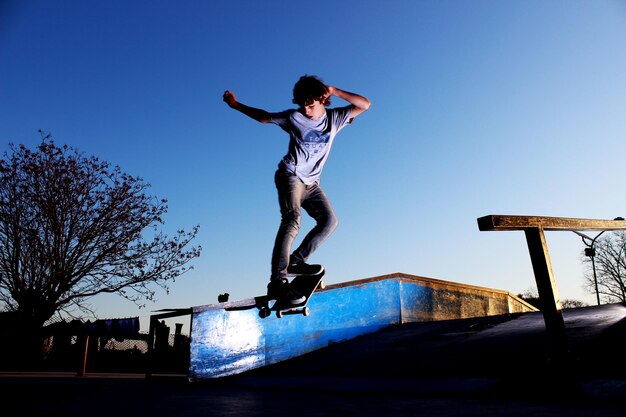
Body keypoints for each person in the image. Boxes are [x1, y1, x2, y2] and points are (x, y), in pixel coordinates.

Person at [223, 75, 370, 304]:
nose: (307, 111)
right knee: (292, 219)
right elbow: (264, 117)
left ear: (323, 100)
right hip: (290, 176)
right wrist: (236, 105)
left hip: (312, 184)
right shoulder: (294, 117)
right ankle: (278, 281)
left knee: (330, 221)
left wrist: (334, 89)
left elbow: (365, 104)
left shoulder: (336, 118)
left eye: (311, 105)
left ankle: (296, 260)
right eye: (303, 106)